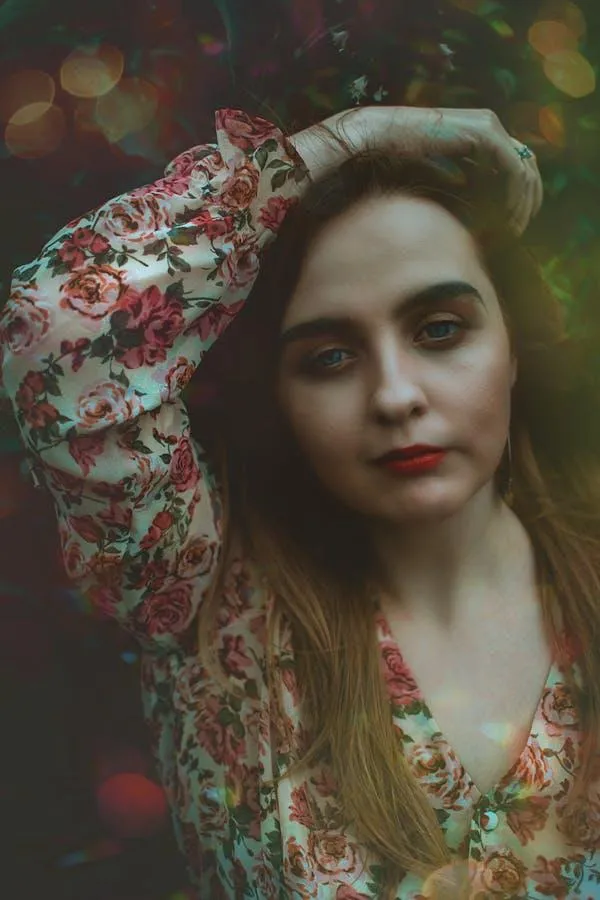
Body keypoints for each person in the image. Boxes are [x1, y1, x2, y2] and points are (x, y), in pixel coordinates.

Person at [1, 103, 599, 900]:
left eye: (440, 330)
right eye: (330, 356)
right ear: (278, 394)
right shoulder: (203, 594)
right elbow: (56, 330)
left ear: (513, 349)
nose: (395, 396)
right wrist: (353, 140)